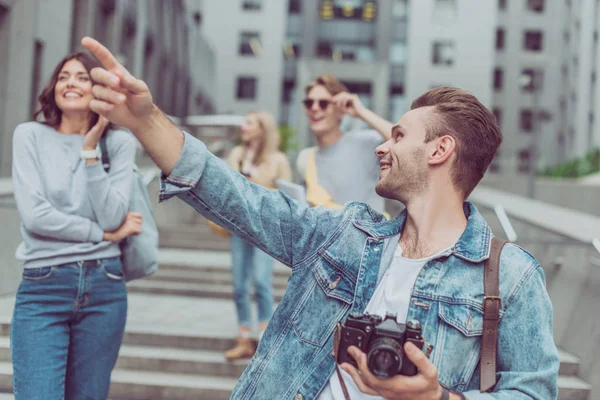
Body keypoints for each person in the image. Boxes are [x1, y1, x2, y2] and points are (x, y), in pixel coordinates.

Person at [81, 36, 560, 400]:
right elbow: (237, 197)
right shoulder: (343, 234)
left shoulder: (511, 277)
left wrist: (439, 397)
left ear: (440, 150)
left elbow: (534, 392)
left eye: (397, 135)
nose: (381, 145)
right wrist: (146, 122)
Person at [10, 52, 140, 400]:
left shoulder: (119, 143)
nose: (70, 83)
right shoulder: (29, 136)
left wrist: (90, 152)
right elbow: (35, 216)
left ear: (98, 89)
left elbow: (114, 215)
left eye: (82, 77)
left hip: (105, 287)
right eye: (64, 76)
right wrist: (100, 234)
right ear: (54, 87)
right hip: (44, 286)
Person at [224, 111, 292, 360]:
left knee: (262, 283)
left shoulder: (277, 160)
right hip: (239, 227)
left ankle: (263, 338)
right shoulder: (236, 155)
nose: (244, 126)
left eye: (249, 123)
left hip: (265, 229)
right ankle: (244, 336)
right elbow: (226, 185)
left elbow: (287, 198)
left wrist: (257, 186)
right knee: (239, 285)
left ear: (262, 129)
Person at [297, 74, 393, 214]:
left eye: (323, 103)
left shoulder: (367, 142)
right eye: (309, 103)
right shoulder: (305, 158)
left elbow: (405, 141)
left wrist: (361, 112)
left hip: (368, 234)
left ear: (340, 112)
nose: (315, 108)